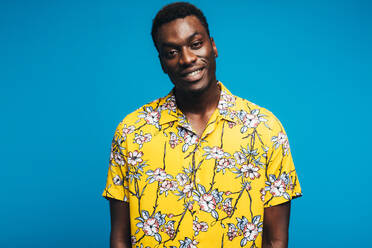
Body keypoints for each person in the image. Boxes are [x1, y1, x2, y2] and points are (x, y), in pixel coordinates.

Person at [102, 2, 302, 248]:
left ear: (213, 46)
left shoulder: (265, 129)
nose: (187, 59)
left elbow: (275, 241)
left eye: (196, 44)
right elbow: (120, 240)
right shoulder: (131, 132)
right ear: (162, 62)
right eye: (172, 52)